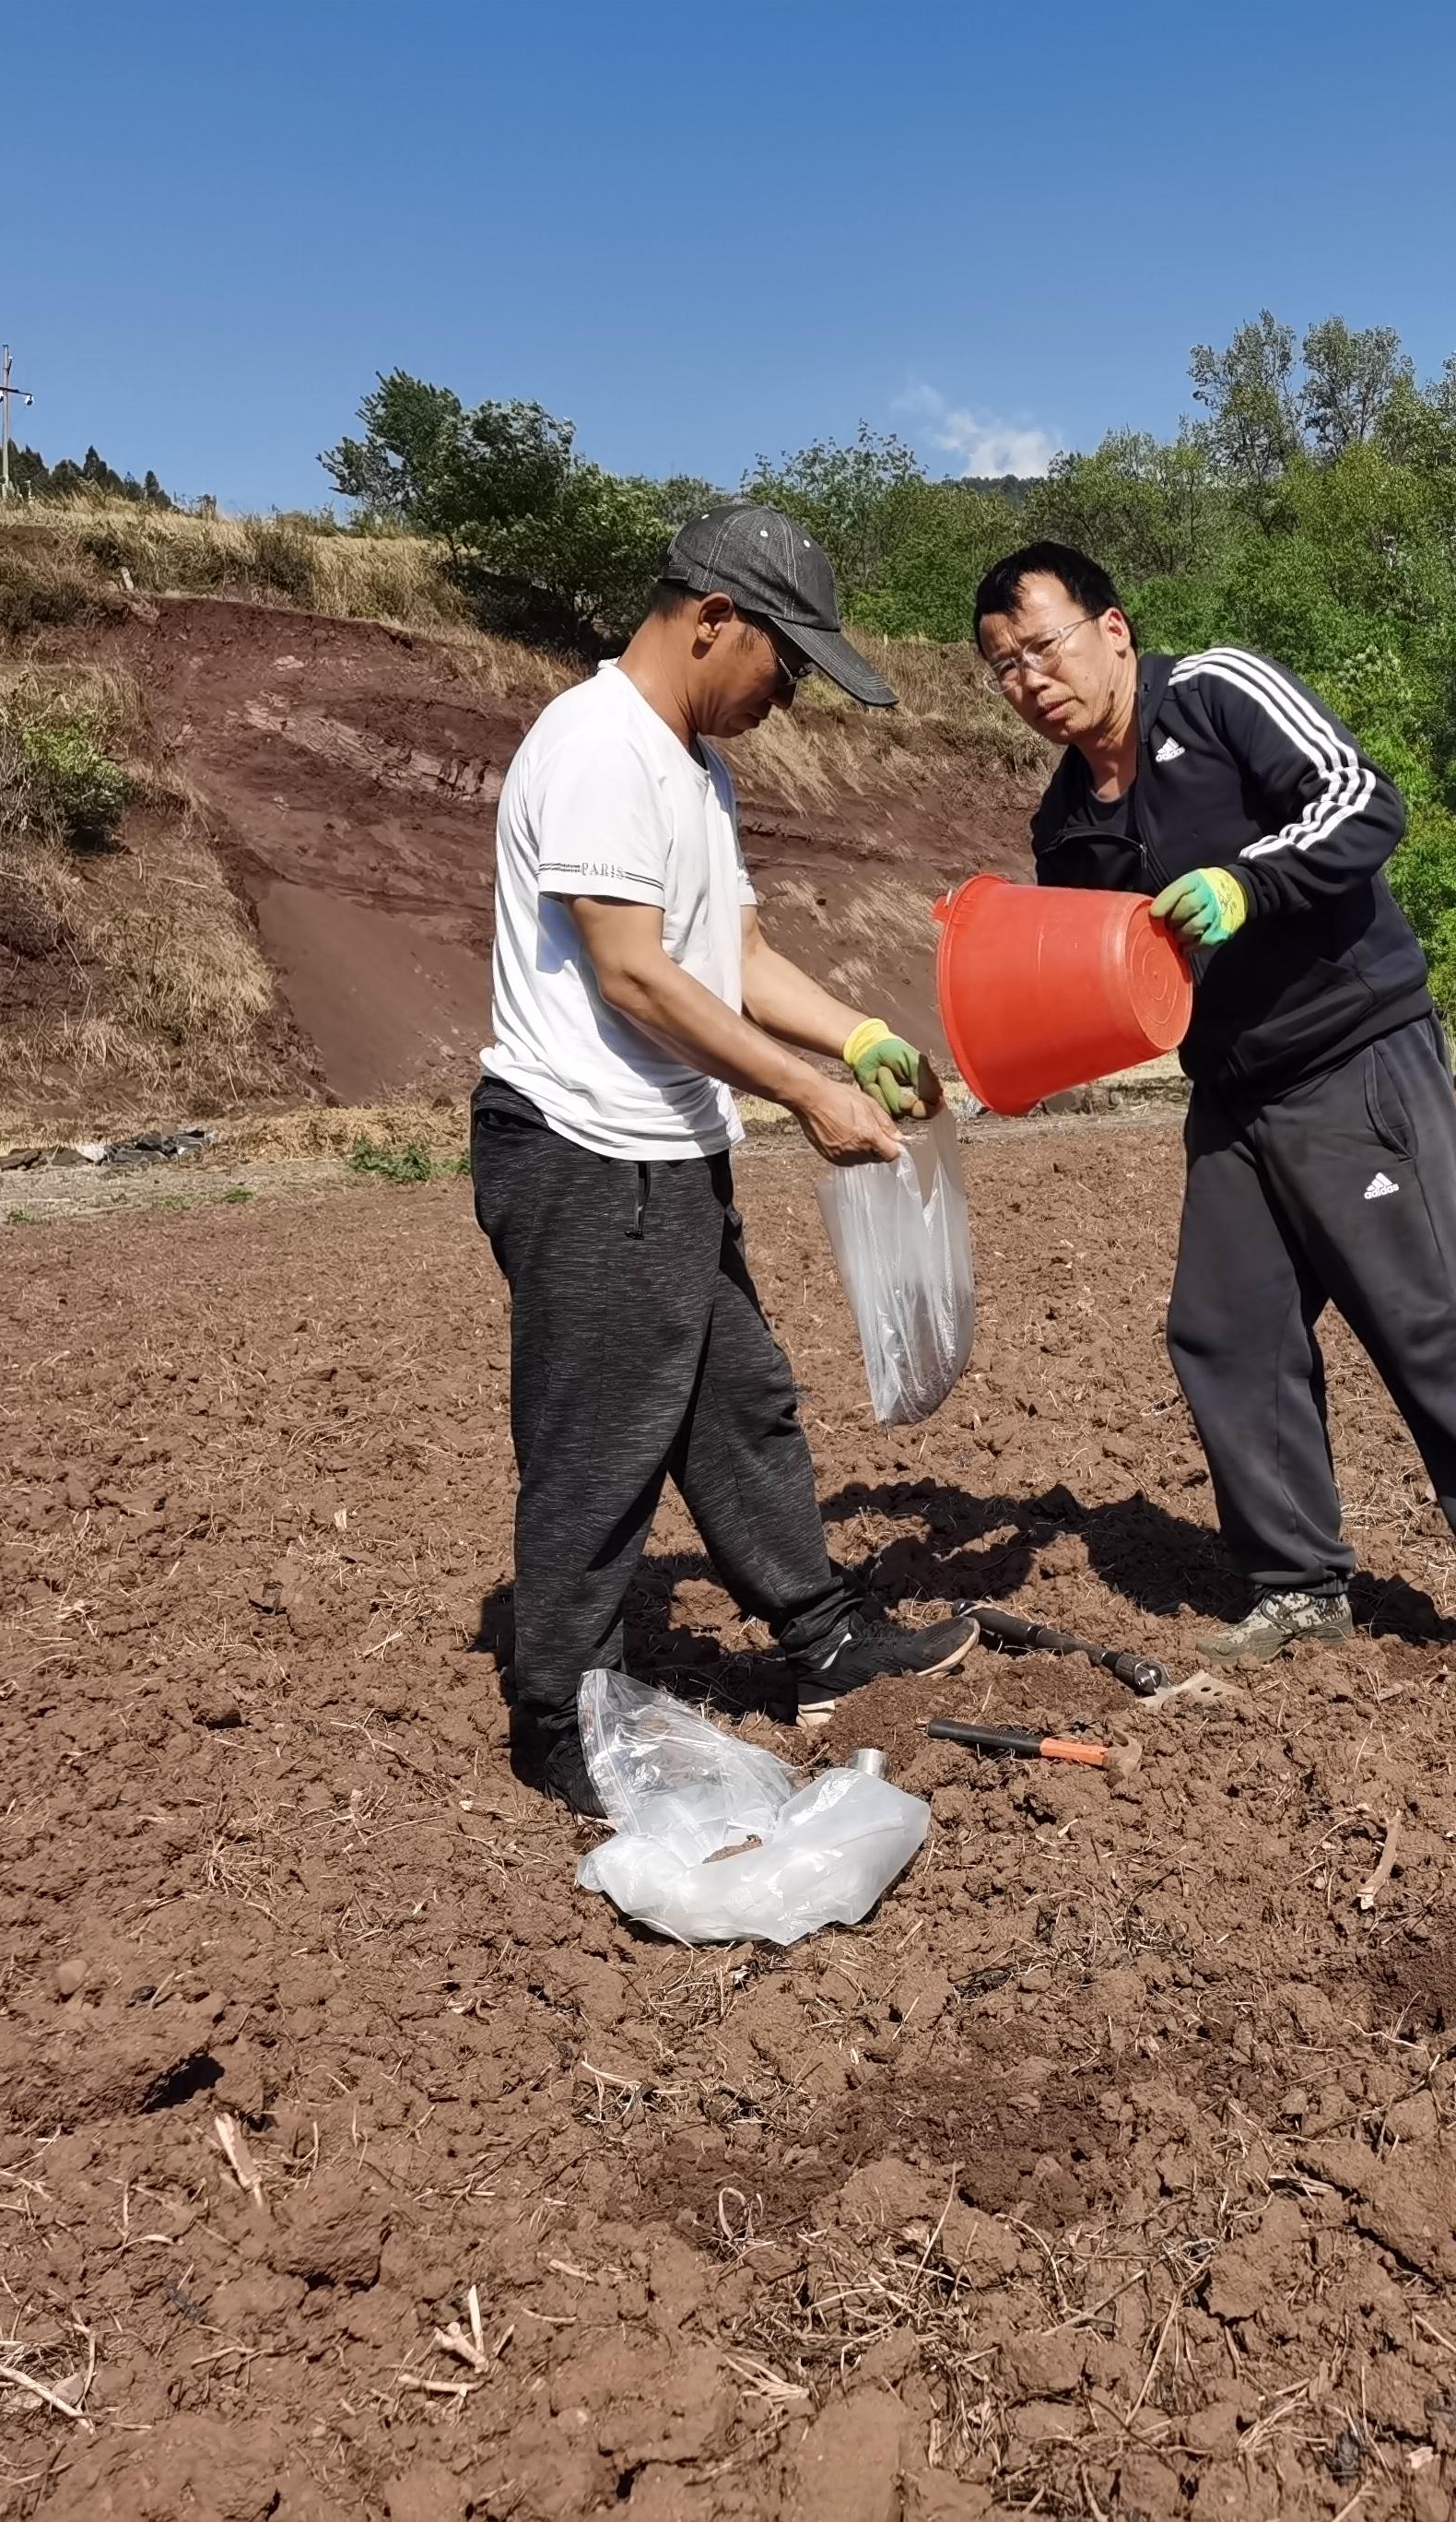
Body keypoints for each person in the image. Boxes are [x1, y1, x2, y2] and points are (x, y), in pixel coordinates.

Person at [969, 541, 1456, 1679]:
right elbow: (1103, 978)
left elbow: (1363, 800)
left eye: (1042, 646)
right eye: (1004, 667)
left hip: (1354, 1050)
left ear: (1113, 630)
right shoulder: (1064, 824)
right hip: (1232, 1091)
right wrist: (1014, 1041)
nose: (1029, 680)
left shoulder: (1215, 693)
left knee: (1429, 1316)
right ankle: (1299, 1585)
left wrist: (1247, 881)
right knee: (1227, 1330)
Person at [471, 501, 977, 1812]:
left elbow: (732, 961)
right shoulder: (595, 747)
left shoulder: (696, 769)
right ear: (713, 620)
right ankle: (558, 1719)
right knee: (598, 1443)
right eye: (787, 664)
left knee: (737, 1399)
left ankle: (823, 1636)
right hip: (584, 1150)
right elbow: (635, 974)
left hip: (665, 1148)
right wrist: (805, 1094)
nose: (791, 693)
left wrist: (861, 1037)